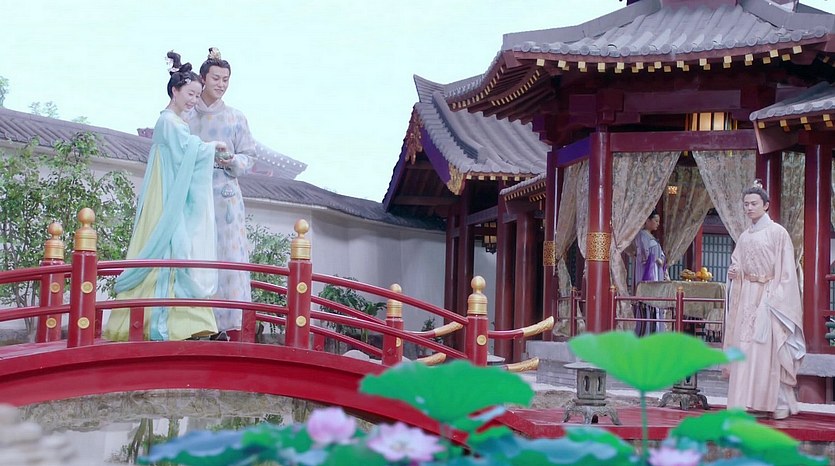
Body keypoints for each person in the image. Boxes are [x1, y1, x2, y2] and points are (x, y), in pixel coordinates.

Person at [104, 51, 228, 341]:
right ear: (175, 91)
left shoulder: (176, 123)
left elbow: (187, 152)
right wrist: (211, 147)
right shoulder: (168, 122)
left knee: (179, 251)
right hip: (165, 197)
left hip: (172, 193)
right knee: (172, 250)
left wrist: (206, 148)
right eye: (190, 94)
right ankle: (161, 324)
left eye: (197, 95)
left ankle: (191, 325)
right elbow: (188, 151)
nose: (193, 100)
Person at [187, 47, 257, 341]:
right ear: (203, 78)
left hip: (225, 194)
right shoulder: (187, 115)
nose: (221, 84)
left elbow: (249, 156)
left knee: (227, 256)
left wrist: (232, 161)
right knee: (194, 253)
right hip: (194, 192)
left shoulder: (235, 117)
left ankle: (225, 324)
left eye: (226, 79)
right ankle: (191, 321)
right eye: (216, 78)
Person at [725, 180, 806, 420]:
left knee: (768, 349)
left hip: (770, 295)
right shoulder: (744, 236)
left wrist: (776, 299)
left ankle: (774, 402)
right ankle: (744, 402)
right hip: (747, 296)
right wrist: (735, 273)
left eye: (754, 203)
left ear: (766, 205)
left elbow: (788, 272)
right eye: (746, 204)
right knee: (746, 346)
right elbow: (737, 263)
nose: (749, 208)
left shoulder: (778, 233)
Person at [632, 210, 669, 335]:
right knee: (648, 302)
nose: (658, 224)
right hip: (649, 273)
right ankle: (646, 330)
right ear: (648, 221)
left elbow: (662, 254)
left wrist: (661, 259)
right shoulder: (642, 235)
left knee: (657, 301)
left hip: (657, 272)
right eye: (656, 221)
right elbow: (644, 255)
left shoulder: (653, 238)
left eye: (658, 221)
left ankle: (656, 329)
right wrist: (653, 259)